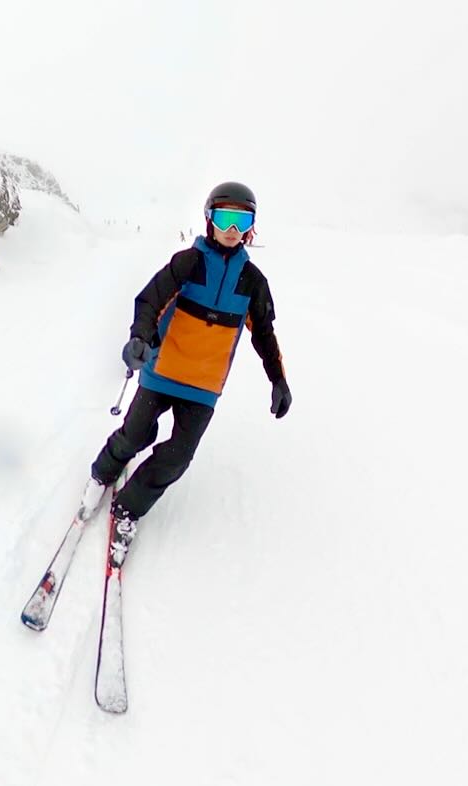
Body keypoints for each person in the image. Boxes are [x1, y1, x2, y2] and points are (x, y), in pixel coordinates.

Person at [78, 181, 292, 567]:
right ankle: (101, 474)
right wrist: (140, 338)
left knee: (176, 458)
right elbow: (150, 300)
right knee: (135, 434)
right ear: (209, 219)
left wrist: (278, 380)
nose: (232, 229)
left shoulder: (254, 282)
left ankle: (128, 508)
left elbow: (264, 333)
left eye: (241, 221)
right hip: (162, 372)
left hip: (204, 387)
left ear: (251, 228)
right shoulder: (187, 263)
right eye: (225, 218)